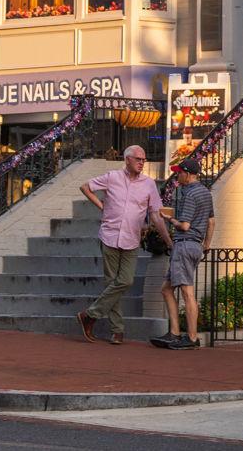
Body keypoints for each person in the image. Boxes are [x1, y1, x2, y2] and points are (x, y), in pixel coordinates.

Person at [77, 145, 170, 345]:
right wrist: (101, 206)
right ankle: (117, 331)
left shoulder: (149, 184)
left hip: (131, 238)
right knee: (112, 284)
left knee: (125, 281)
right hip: (109, 236)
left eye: (144, 160)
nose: (142, 163)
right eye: (138, 159)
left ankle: (90, 315)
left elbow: (155, 213)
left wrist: (168, 239)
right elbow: (85, 187)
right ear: (127, 159)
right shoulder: (112, 177)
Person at [153, 157, 215, 349]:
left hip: (185, 244)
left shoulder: (190, 195)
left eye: (179, 172)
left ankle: (191, 337)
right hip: (195, 245)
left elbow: (185, 225)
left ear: (188, 174)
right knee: (166, 289)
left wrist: (168, 219)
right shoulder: (205, 192)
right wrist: (206, 244)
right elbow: (211, 221)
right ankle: (174, 333)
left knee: (187, 293)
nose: (176, 175)